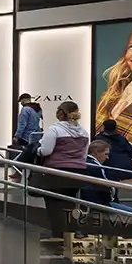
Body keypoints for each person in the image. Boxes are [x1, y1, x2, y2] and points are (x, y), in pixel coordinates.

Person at [38, 101, 91, 236]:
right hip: (78, 172)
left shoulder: (55, 130)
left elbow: (46, 151)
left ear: (61, 113)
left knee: (53, 203)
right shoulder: (84, 132)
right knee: (70, 202)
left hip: (57, 171)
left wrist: (37, 150)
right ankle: (70, 231)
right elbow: (84, 155)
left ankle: (57, 232)